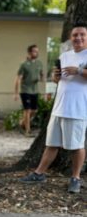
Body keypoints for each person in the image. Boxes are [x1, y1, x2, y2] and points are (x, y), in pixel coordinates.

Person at [19, 24, 87, 193]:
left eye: (82, 35)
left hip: (77, 108)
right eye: (75, 35)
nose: (78, 38)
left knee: (76, 146)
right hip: (59, 107)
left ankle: (75, 178)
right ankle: (39, 173)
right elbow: (59, 79)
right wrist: (55, 77)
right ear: (71, 38)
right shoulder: (64, 56)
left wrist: (79, 70)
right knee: (51, 144)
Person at [14, 44, 44, 136]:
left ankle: (22, 123)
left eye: (37, 51)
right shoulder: (24, 64)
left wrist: (41, 78)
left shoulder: (39, 63)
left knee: (34, 111)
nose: (36, 53)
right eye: (35, 51)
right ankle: (28, 131)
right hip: (25, 90)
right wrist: (15, 93)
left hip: (34, 90)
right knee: (27, 110)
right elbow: (18, 79)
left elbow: (41, 74)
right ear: (30, 52)